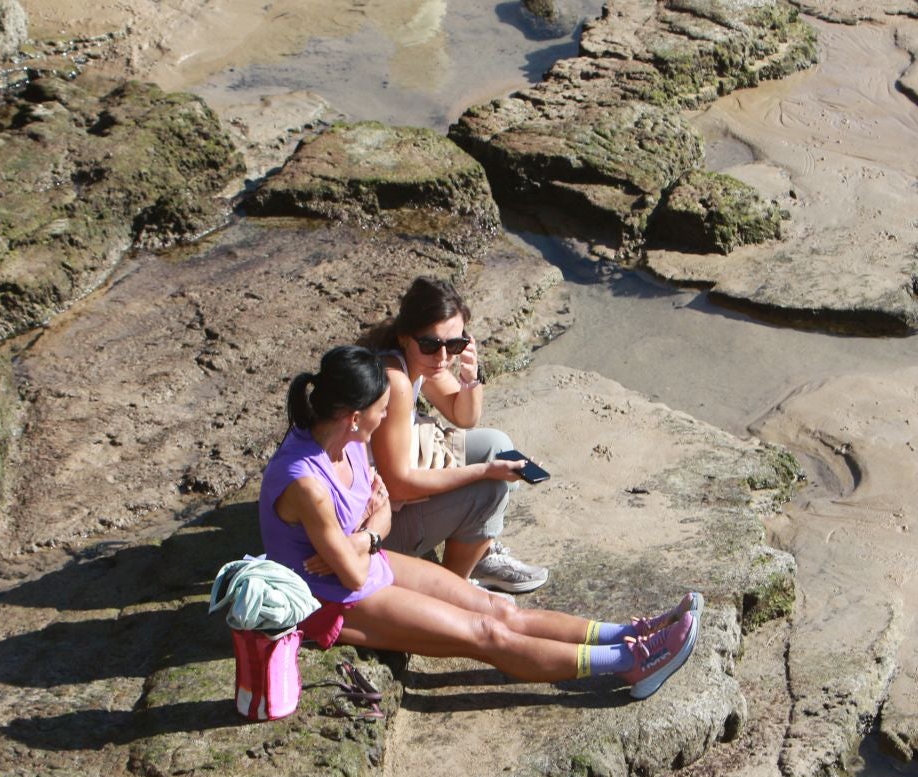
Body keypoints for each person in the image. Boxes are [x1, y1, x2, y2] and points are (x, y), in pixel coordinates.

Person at [259, 344, 701, 697]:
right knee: (486, 634)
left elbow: (381, 509)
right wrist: (370, 533)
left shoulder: (350, 440)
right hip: (332, 602)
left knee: (497, 607)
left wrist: (361, 536)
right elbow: (355, 569)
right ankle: (630, 663)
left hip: (363, 567)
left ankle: (626, 633)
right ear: (354, 417)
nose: (387, 418)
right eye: (383, 410)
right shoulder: (307, 483)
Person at [360, 277, 547, 593]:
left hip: (394, 489)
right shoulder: (394, 380)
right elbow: (398, 485)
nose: (443, 357)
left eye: (455, 345)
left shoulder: (418, 358)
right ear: (406, 336)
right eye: (432, 344)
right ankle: (451, 592)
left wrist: (471, 377)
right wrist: (484, 473)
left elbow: (465, 417)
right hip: (373, 528)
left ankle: (478, 554)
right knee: (489, 492)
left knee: (498, 445)